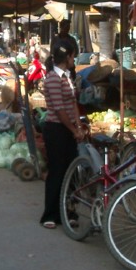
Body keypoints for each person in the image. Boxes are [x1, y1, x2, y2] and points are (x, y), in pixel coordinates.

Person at [39, 42, 84, 229]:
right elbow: (59, 110)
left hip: (69, 128)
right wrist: (74, 130)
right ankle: (50, 214)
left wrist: (79, 125)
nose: (74, 60)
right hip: (56, 130)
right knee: (57, 171)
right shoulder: (52, 79)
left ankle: (68, 211)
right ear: (67, 58)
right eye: (73, 57)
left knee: (71, 171)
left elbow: (72, 102)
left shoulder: (67, 77)